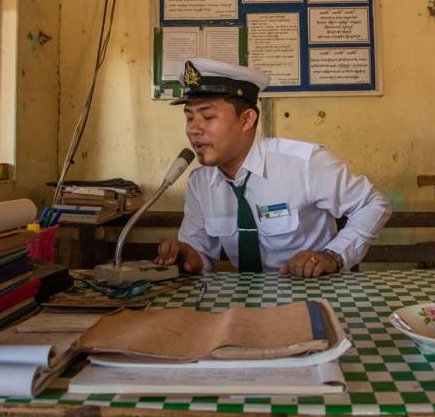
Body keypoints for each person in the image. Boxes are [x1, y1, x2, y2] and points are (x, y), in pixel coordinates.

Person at [154, 58, 391, 277]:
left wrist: (334, 255)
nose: (193, 130)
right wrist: (190, 256)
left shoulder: (305, 163)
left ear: (247, 119)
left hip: (312, 295)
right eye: (189, 117)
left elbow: (373, 204)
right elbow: (201, 255)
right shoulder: (200, 182)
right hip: (244, 304)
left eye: (207, 117)